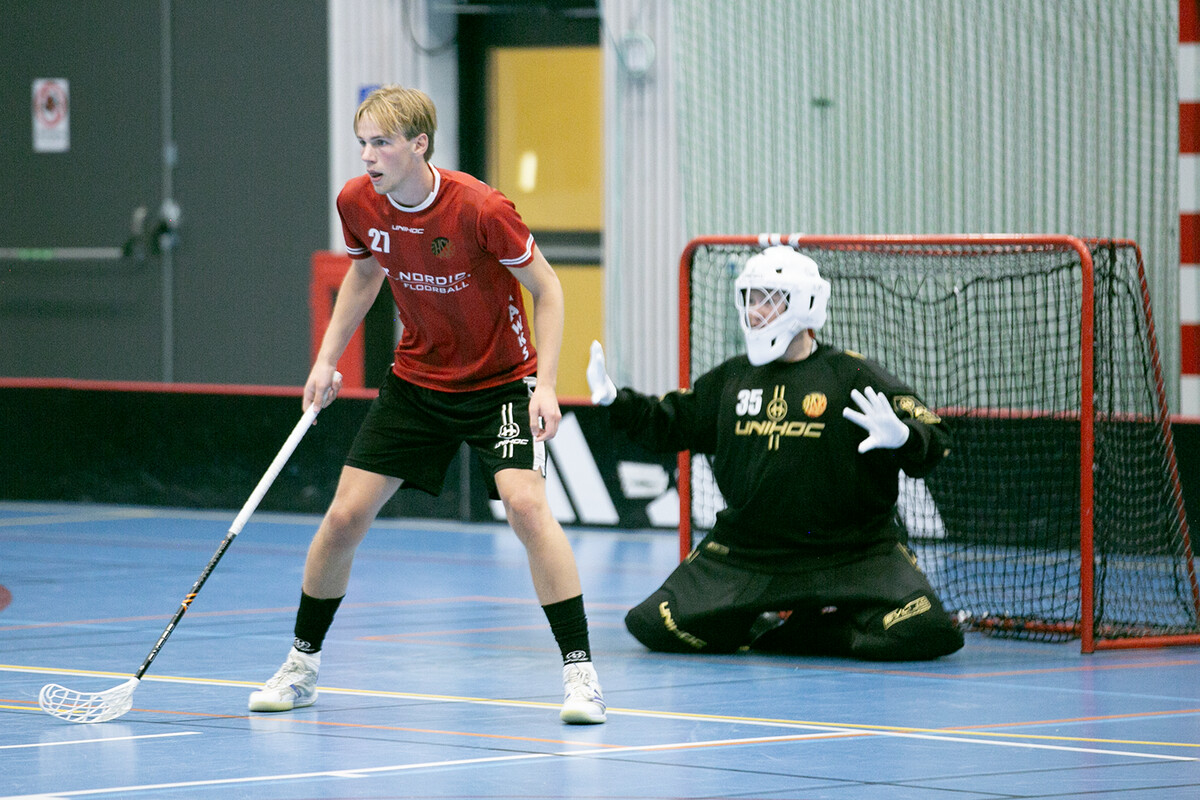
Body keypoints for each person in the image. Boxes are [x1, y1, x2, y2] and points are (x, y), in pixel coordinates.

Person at [248, 85, 605, 724]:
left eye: (381, 143)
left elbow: (547, 288)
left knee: (526, 507)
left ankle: (581, 676)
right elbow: (364, 273)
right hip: (417, 383)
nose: (367, 157)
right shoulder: (358, 203)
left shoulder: (481, 209)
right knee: (342, 518)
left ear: (419, 144)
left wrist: (547, 383)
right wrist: (326, 360)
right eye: (362, 143)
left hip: (501, 382)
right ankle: (300, 666)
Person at [588, 245, 964, 661]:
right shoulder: (732, 378)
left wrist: (905, 437)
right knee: (655, 623)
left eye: (768, 299)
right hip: (747, 554)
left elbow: (937, 437)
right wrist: (614, 401)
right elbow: (668, 422)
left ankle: (807, 634)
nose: (754, 311)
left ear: (804, 303)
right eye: (750, 298)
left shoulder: (852, 373)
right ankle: (761, 625)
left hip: (855, 553)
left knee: (924, 628)